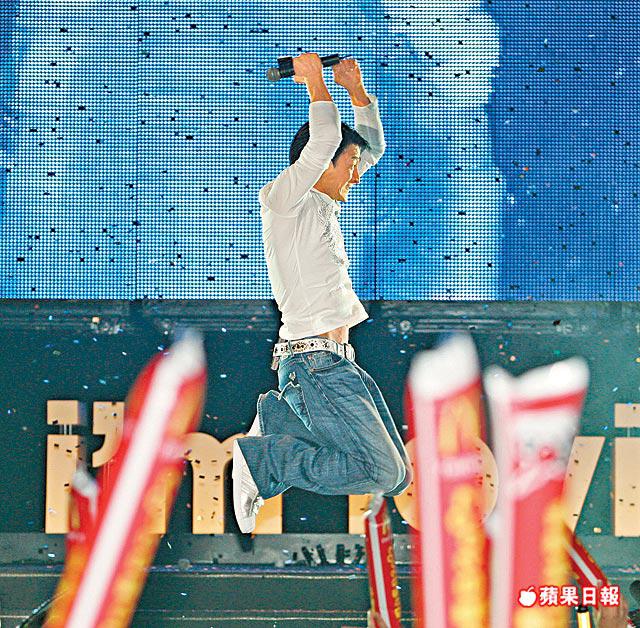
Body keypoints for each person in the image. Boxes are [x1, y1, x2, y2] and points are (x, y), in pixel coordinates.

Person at [232, 52, 412, 533]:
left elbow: (370, 148)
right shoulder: (284, 201)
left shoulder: (324, 205)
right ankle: (269, 456)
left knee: (398, 476)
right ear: (318, 163)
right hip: (313, 361)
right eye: (349, 166)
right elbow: (327, 141)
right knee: (382, 472)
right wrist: (315, 81)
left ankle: (277, 422)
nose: (357, 173)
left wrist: (356, 92)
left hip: (335, 361)